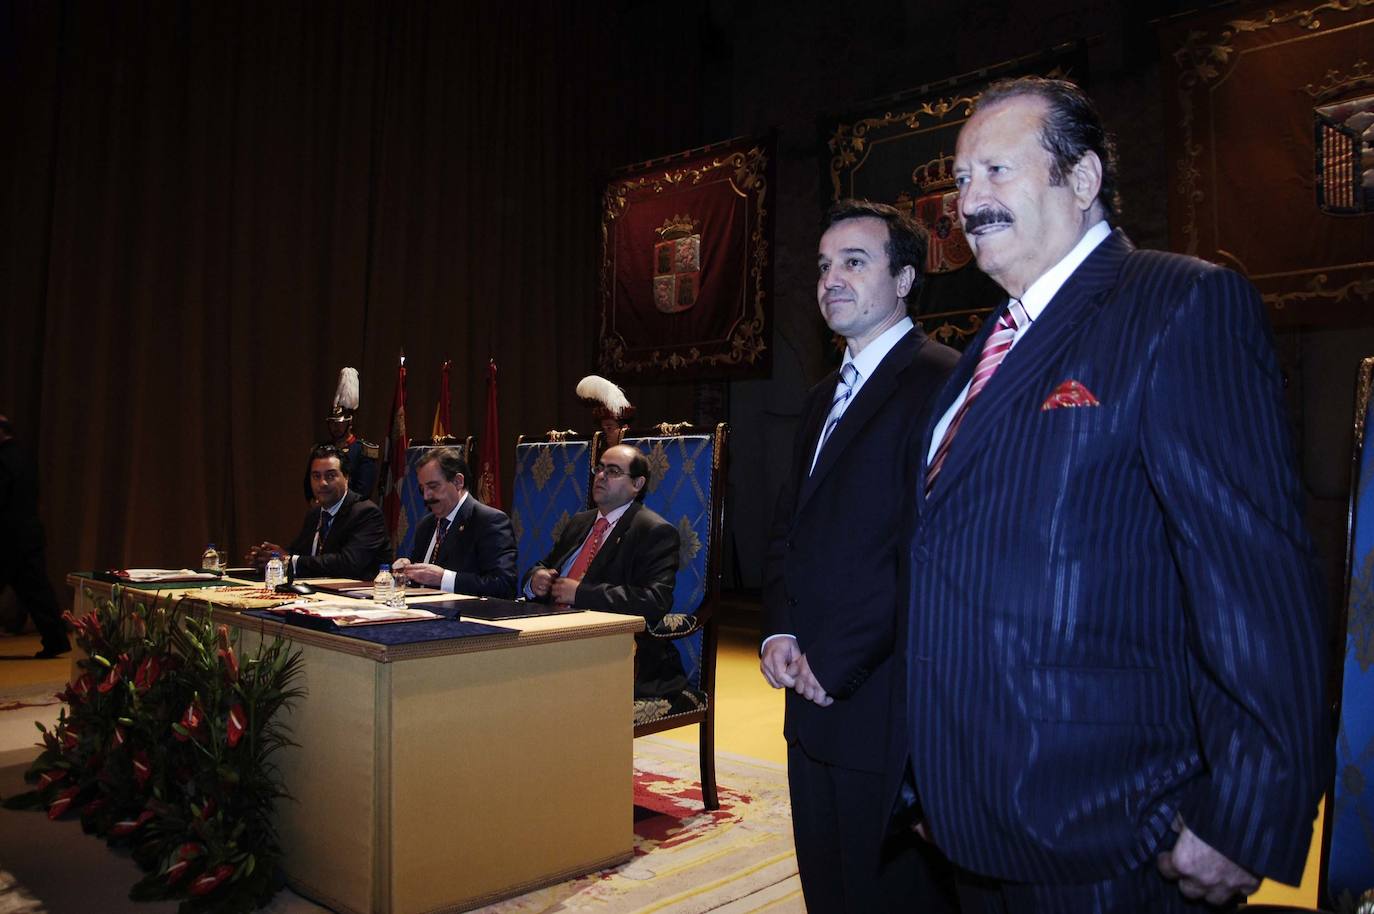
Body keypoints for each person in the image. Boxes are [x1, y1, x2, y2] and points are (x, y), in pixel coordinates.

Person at [892, 76, 1329, 912]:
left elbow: (1253, 574)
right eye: (959, 179)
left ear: (1082, 179)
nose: (968, 200)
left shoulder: (1179, 303)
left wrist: (1245, 807)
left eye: (995, 171)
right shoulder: (984, 346)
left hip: (1109, 823)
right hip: (970, 813)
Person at [758, 200, 959, 913]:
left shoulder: (944, 380)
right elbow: (790, 527)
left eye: (853, 262)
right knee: (829, 887)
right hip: (806, 695)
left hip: (883, 697)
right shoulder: (820, 398)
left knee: (890, 897)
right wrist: (779, 628)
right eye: (823, 266)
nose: (831, 279)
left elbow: (926, 545)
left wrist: (836, 662)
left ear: (904, 279)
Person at [522, 443, 684, 699]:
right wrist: (535, 580)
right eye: (599, 468)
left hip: (613, 649)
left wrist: (581, 594)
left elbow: (655, 601)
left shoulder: (653, 531)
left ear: (637, 484)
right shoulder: (580, 522)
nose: (601, 476)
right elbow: (545, 565)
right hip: (551, 632)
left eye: (613, 471)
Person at [249, 444, 390, 580]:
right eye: (316, 476)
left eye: (330, 476)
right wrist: (271, 558)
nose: (322, 483)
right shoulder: (315, 514)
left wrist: (289, 561)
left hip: (360, 600)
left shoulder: (366, 513)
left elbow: (348, 564)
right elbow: (299, 553)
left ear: (346, 478)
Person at [392, 447, 517, 597]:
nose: (426, 497)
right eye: (422, 489)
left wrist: (444, 578)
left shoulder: (488, 521)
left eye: (433, 486)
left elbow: (503, 585)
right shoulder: (426, 525)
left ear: (458, 481)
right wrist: (408, 571)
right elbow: (424, 577)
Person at [0, 415, 70, 658]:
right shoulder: (24, 457)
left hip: (7, 537)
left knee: (37, 592)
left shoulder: (3, 460)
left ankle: (56, 639)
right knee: (39, 593)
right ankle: (56, 639)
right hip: (28, 534)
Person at [302, 367, 379, 503]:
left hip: (351, 515)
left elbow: (363, 491)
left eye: (339, 423)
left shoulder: (363, 451)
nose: (335, 427)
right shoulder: (320, 449)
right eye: (332, 423)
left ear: (350, 423)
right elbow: (309, 487)